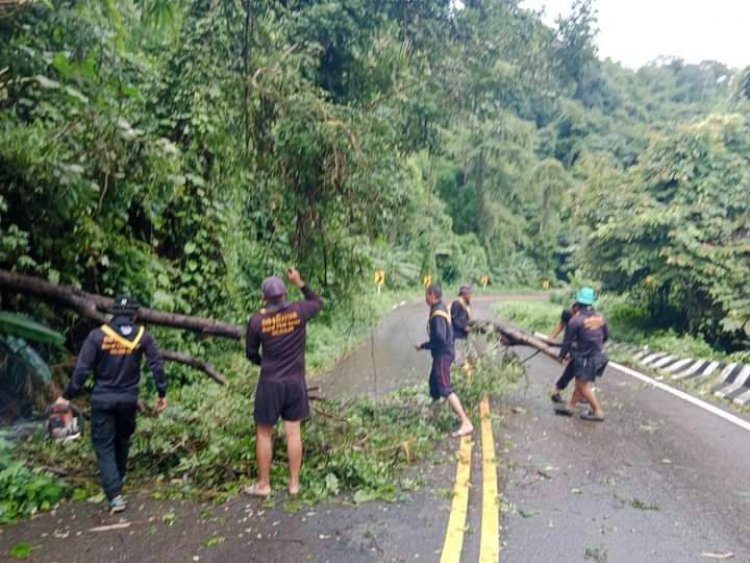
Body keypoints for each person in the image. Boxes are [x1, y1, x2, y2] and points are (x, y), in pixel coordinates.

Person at [55, 295, 167, 513]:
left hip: (103, 400)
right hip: (128, 401)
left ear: (113, 314)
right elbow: (156, 364)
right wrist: (161, 392)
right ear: (135, 315)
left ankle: (115, 495)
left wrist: (67, 396)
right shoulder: (142, 336)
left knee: (104, 446)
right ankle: (118, 479)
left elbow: (82, 370)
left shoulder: (97, 336)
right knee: (122, 439)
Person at [245, 268, 323, 497]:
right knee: (293, 433)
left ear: (263, 297)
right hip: (295, 382)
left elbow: (250, 353)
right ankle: (294, 485)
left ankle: (264, 485)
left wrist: (265, 362)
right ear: (285, 293)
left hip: (270, 382)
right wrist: (300, 281)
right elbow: (317, 302)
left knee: (263, 433)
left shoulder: (257, 320)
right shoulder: (299, 311)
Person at [415, 284, 473, 438]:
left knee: (445, 387)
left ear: (431, 295)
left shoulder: (438, 313)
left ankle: (465, 422)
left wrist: (423, 345)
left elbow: (440, 338)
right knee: (434, 385)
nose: (425, 298)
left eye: (426, 295)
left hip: (443, 355)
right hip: (443, 353)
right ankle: (435, 416)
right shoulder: (440, 308)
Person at [555, 287, 608, 422]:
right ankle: (570, 407)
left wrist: (562, 355)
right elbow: (605, 337)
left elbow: (567, 341)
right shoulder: (600, 319)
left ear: (577, 304)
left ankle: (597, 411)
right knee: (580, 381)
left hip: (586, 357)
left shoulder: (575, 320)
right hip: (598, 355)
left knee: (582, 385)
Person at [549, 302, 580, 404]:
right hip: (575, 347)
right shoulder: (568, 313)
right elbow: (561, 326)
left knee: (574, 370)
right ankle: (577, 397)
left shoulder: (587, 316)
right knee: (577, 371)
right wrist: (550, 339)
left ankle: (558, 390)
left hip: (581, 346)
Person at [450, 284, 474, 371]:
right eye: (469, 294)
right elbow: (455, 320)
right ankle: (454, 375)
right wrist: (464, 327)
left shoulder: (467, 303)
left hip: (465, 336)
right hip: (458, 336)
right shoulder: (457, 303)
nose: (471, 296)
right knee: (459, 358)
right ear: (464, 294)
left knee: (471, 356)